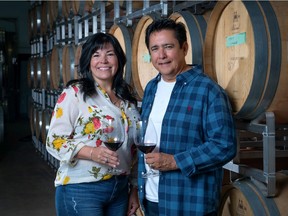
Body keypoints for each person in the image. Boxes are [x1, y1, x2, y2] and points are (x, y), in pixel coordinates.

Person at [137, 18, 237, 216]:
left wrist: (175, 161)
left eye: (168, 47)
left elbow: (224, 145)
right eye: (155, 49)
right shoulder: (151, 88)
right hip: (151, 201)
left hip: (188, 203)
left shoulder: (208, 90)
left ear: (184, 48)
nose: (162, 55)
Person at [46, 32, 140, 216]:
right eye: (96, 55)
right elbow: (54, 140)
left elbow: (135, 149)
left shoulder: (127, 101)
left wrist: (134, 188)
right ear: (88, 62)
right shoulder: (75, 94)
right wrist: (92, 153)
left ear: (119, 60)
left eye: (110, 54)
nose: (103, 60)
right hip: (82, 188)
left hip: (119, 190)